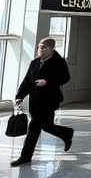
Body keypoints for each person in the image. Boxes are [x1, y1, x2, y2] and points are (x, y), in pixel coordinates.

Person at [11, 38, 74, 166]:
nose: (41, 50)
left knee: (33, 127)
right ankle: (66, 133)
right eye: (40, 47)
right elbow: (27, 80)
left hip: (49, 100)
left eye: (44, 47)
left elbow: (65, 77)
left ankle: (25, 157)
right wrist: (20, 95)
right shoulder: (35, 63)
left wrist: (47, 82)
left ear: (51, 49)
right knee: (46, 126)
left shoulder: (59, 62)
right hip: (35, 100)